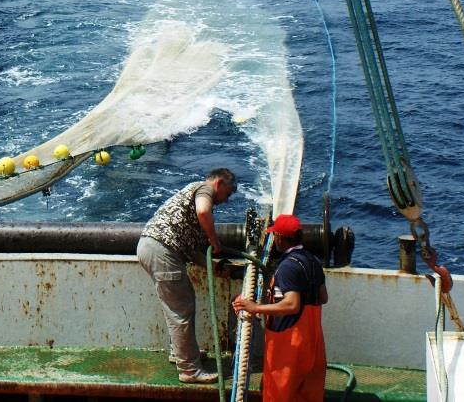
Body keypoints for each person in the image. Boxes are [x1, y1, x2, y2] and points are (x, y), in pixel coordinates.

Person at [137, 167, 238, 384]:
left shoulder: (189, 198)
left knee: (179, 304)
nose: (226, 200)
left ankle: (180, 352)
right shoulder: (204, 189)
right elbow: (204, 212)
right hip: (163, 250)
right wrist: (215, 240)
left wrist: (213, 265)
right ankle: (190, 370)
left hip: (153, 247)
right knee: (180, 309)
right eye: (228, 194)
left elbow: (192, 252)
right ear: (219, 183)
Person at [232, 214, 328, 402]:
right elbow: (323, 297)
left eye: (275, 235)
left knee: (279, 393)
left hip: (289, 345)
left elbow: (292, 304)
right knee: (308, 395)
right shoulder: (314, 261)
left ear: (280, 238)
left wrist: (256, 307)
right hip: (313, 341)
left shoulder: (287, 267)